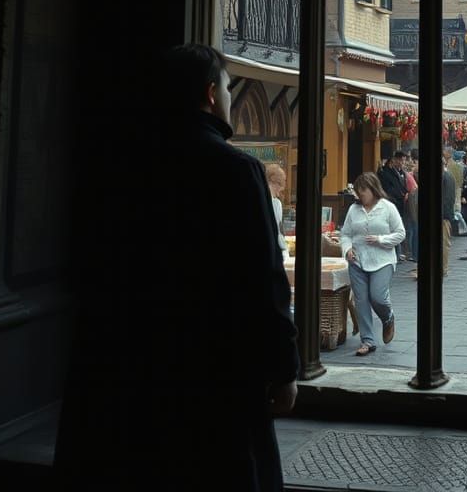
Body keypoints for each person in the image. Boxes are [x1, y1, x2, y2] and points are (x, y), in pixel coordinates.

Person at [54, 43, 298, 491]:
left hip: (129, 359)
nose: (228, 96)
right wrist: (283, 368)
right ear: (210, 93)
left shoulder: (119, 164)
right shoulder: (236, 169)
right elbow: (264, 277)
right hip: (214, 365)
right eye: (227, 87)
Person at [340, 172, 405, 356]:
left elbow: (400, 233)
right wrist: (347, 249)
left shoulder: (388, 208)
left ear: (373, 189)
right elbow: (345, 233)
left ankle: (388, 317)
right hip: (357, 260)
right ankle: (367, 340)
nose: (361, 196)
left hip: (382, 260)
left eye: (364, 192)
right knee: (361, 300)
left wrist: (380, 239)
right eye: (359, 193)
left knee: (377, 296)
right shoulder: (354, 210)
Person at [377, 149, 410, 259]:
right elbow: (389, 190)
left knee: (397, 228)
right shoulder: (385, 173)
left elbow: (402, 186)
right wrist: (400, 196)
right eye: (400, 160)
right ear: (394, 160)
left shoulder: (401, 173)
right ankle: (396, 253)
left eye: (403, 160)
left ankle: (398, 252)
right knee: (392, 229)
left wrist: (405, 193)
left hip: (400, 204)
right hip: (393, 203)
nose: (402, 163)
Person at [264, 161, 289, 261]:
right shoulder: (275, 203)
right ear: (274, 181)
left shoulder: (276, 203)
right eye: (279, 187)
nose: (278, 194)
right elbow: (276, 232)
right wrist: (285, 248)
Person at [441, 155, 457, 277]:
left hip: (443, 216)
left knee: (444, 243)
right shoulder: (447, 176)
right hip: (444, 215)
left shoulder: (446, 177)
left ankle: (443, 268)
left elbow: (447, 199)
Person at [405, 159, 419, 262]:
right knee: (413, 230)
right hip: (413, 206)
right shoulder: (410, 176)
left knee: (412, 230)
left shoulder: (408, 176)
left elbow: (413, 190)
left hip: (412, 206)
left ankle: (411, 253)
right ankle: (413, 253)